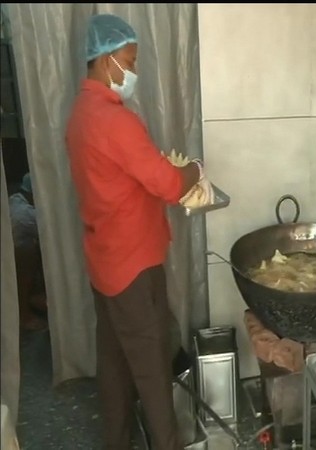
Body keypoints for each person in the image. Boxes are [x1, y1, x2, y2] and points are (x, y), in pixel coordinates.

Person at [64, 13, 202, 450]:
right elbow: (165, 184)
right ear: (106, 62)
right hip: (134, 264)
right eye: (131, 60)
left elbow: (120, 178)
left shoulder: (80, 115)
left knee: (115, 363)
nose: (135, 71)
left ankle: (117, 440)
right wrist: (193, 171)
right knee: (151, 368)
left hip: (104, 260)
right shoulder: (113, 120)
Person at [8, 172, 48, 331]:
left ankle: (36, 297)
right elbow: (50, 232)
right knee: (28, 251)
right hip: (13, 262)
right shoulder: (25, 214)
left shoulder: (15, 199)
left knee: (34, 246)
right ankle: (23, 314)